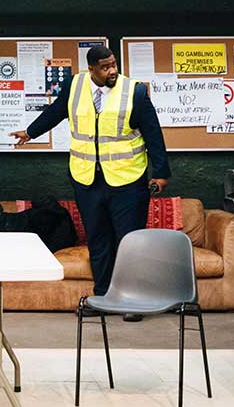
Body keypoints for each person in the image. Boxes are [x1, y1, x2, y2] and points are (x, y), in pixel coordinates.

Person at [13, 45, 168, 312]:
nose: (113, 71)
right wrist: (30, 131)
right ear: (91, 69)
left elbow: (153, 134)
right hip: (87, 180)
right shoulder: (75, 85)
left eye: (114, 64)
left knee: (129, 242)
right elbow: (56, 111)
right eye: (106, 67)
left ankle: (132, 301)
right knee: (98, 240)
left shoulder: (135, 92)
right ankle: (104, 298)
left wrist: (162, 172)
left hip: (128, 181)